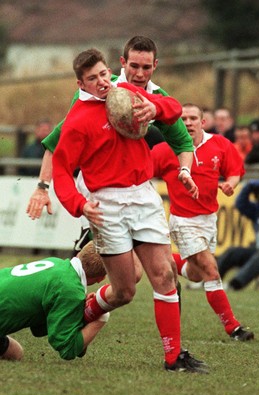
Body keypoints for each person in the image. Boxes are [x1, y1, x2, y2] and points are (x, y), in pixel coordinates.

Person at [51, 48, 207, 373]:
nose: (102, 82)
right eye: (93, 78)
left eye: (105, 74)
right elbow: (62, 171)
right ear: (80, 82)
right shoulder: (78, 120)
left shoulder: (125, 94)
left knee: (164, 275)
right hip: (106, 205)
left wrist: (155, 106)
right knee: (124, 290)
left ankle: (173, 357)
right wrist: (79, 204)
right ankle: (84, 311)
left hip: (143, 196)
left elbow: (174, 108)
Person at [26, 36, 195, 242]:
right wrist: (42, 187)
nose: (140, 74)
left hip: (136, 192)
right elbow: (56, 144)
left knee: (156, 268)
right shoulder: (95, 92)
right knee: (97, 266)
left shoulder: (154, 97)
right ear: (122, 63)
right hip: (97, 192)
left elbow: (183, 141)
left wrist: (185, 170)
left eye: (146, 67)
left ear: (155, 66)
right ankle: (72, 268)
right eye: (134, 66)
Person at [151, 103, 254, 341]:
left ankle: (164, 263)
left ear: (202, 122)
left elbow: (236, 170)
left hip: (209, 219)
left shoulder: (220, 144)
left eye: (192, 118)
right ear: (176, 123)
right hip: (183, 221)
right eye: (182, 119)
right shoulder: (165, 149)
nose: (187, 123)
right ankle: (233, 327)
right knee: (210, 270)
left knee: (196, 274)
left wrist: (231, 183)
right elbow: (139, 173)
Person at [0, 241, 109, 361]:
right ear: (102, 278)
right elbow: (68, 348)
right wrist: (99, 319)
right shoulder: (70, 290)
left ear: (79, 254)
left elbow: (39, 328)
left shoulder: (55, 262)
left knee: (14, 353)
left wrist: (78, 313)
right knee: (14, 354)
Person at [217, 179, 259, 290]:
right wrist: (249, 187)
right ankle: (211, 281)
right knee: (232, 252)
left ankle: (234, 285)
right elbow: (240, 204)